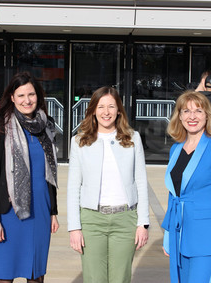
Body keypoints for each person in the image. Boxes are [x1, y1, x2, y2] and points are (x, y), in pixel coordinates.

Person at [0, 72, 59, 283]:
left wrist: (53, 211)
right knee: (5, 274)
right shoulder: (0, 126)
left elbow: (49, 172)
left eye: (31, 94)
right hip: (9, 213)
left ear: (38, 96)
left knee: (36, 273)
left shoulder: (46, 125)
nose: (27, 100)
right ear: (12, 98)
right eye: (21, 95)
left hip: (40, 211)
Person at [67, 86, 150, 283]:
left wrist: (143, 223)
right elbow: (73, 187)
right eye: (101, 106)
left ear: (119, 110)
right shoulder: (79, 141)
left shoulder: (133, 138)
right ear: (93, 110)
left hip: (125, 219)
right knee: (94, 278)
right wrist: (74, 228)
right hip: (91, 220)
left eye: (111, 106)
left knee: (120, 278)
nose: (106, 112)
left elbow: (141, 182)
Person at [162, 90, 211, 283]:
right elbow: (174, 193)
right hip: (179, 233)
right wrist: (168, 232)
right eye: (186, 111)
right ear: (179, 116)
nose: (192, 116)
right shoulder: (176, 149)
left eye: (198, 111)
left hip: (208, 235)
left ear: (207, 115)